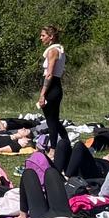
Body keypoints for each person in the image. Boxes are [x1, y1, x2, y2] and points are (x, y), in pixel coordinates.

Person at [38, 26, 67, 154]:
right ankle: (66, 141)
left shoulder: (53, 51)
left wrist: (42, 94)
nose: (41, 38)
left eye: (43, 35)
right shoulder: (59, 49)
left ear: (51, 37)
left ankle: (53, 149)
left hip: (52, 86)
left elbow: (49, 74)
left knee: (51, 120)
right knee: (54, 119)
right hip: (55, 86)